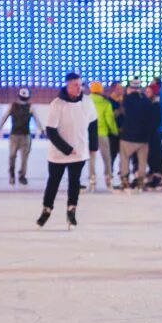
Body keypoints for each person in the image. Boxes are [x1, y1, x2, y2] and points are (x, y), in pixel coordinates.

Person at [37, 73, 96, 229]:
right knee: (53, 182)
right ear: (67, 86)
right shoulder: (57, 104)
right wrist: (66, 149)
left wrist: (93, 146)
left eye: (80, 85)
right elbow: (50, 130)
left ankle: (71, 210)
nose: (79, 88)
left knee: (74, 182)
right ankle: (47, 209)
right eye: (75, 85)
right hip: (58, 153)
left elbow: (93, 124)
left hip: (80, 151)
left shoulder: (87, 102)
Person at [0, 87, 44, 186]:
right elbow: (4, 117)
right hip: (16, 135)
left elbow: (37, 119)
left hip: (25, 135)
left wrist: (41, 128)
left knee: (22, 157)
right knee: (14, 156)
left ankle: (20, 175)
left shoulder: (29, 107)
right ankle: (13, 174)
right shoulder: (13, 106)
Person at [116, 77, 151, 191]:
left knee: (125, 158)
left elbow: (122, 114)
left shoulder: (126, 99)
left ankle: (125, 181)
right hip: (143, 137)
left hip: (128, 136)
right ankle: (140, 181)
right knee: (142, 161)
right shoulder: (146, 100)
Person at [90, 81, 118, 190]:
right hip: (102, 133)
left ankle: (92, 178)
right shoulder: (105, 103)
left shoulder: (86, 101)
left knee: (91, 157)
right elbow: (109, 120)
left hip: (90, 134)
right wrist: (115, 131)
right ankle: (108, 177)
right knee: (106, 157)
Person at [145, 79, 162, 190]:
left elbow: (157, 118)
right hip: (154, 132)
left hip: (155, 132)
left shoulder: (156, 103)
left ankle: (158, 176)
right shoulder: (153, 102)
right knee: (153, 154)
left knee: (156, 154)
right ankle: (155, 174)